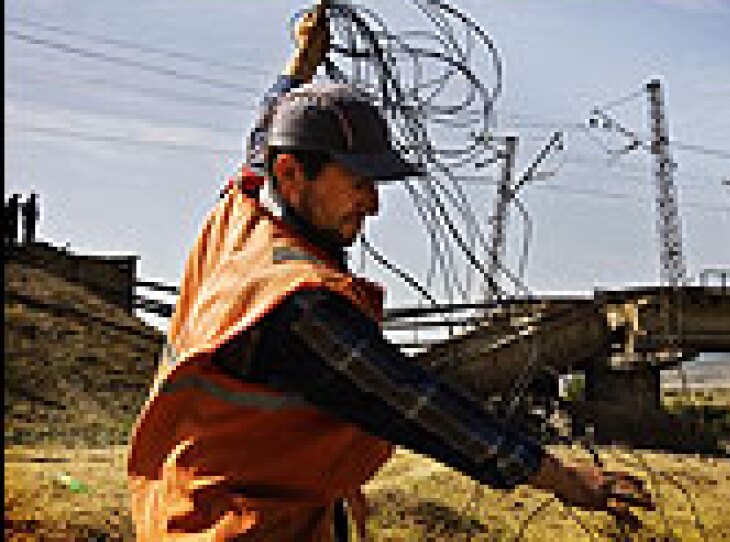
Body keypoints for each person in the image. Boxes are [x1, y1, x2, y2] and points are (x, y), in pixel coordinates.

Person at [127, 8, 653, 541]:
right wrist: (562, 479)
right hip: (240, 528)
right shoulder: (298, 304)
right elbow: (415, 404)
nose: (373, 204)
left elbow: (264, 130)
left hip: (189, 505)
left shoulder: (237, 217)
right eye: (359, 181)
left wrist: (299, 65)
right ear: (290, 174)